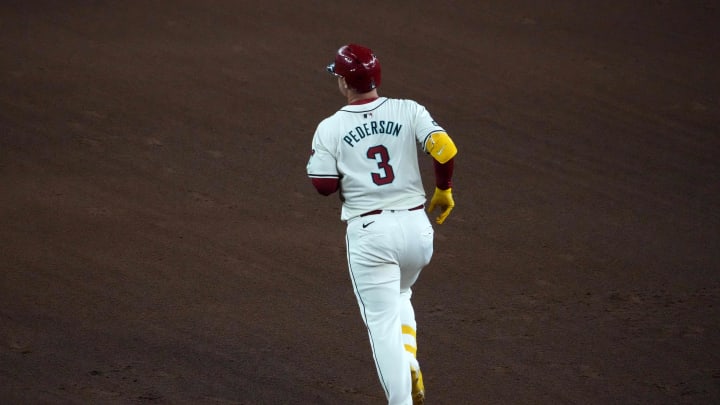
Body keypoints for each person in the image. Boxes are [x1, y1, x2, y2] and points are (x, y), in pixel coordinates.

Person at [306, 43, 457, 405]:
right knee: (401, 293)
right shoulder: (409, 110)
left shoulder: (330, 127)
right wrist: (443, 190)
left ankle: (401, 397)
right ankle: (408, 360)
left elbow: (323, 186)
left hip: (372, 237)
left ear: (344, 83)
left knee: (381, 326)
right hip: (417, 231)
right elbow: (445, 149)